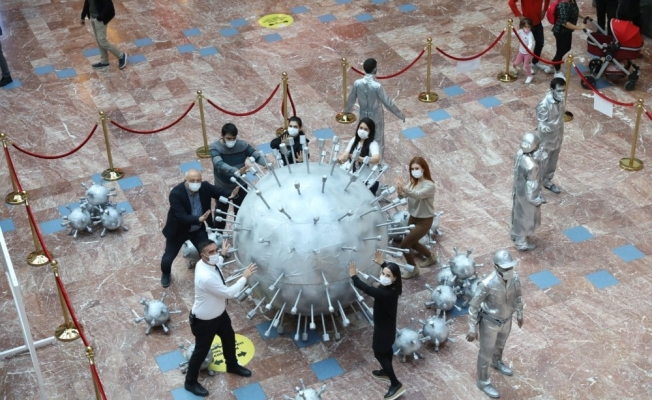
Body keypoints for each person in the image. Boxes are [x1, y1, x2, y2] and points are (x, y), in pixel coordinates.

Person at [184, 240, 258, 397]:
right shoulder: (205, 277)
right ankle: (190, 382)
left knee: (229, 338)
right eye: (211, 252)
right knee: (201, 351)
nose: (215, 254)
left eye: (215, 250)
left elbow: (217, 264)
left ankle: (232, 365)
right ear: (202, 256)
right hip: (204, 321)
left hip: (220, 315)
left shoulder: (207, 263)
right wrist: (244, 277)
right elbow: (229, 293)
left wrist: (223, 254)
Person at [160, 169, 238, 288]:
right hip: (179, 231)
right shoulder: (176, 193)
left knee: (208, 251)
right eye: (192, 180)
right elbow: (181, 216)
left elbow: (218, 192)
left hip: (197, 229)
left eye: (198, 180)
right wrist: (199, 219)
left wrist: (231, 194)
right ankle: (166, 273)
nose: (196, 183)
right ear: (185, 180)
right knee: (168, 257)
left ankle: (212, 272)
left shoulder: (204, 187)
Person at [466, 249, 523, 399]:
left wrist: (520, 313)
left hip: (507, 320)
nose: (508, 270)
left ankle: (496, 361)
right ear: (496, 267)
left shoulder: (515, 278)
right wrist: (472, 328)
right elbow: (473, 307)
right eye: (505, 268)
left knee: (500, 345)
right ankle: (483, 382)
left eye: (510, 267)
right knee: (485, 354)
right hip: (489, 323)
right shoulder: (486, 284)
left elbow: (518, 297)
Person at [349, 251, 405, 400]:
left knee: (379, 353)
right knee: (386, 350)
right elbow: (389, 275)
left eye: (388, 275)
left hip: (383, 330)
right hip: (388, 328)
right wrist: (383, 264)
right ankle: (386, 371)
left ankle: (395, 384)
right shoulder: (394, 289)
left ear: (394, 278)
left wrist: (354, 276)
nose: (384, 277)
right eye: (383, 273)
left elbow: (368, 289)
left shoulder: (384, 293)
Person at [209, 123, 267, 230]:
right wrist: (236, 171)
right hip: (222, 188)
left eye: (234, 138)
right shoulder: (215, 148)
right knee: (220, 214)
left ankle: (240, 233)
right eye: (228, 138)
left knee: (241, 213)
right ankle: (218, 234)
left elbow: (255, 155)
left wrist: (266, 164)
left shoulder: (242, 145)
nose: (231, 141)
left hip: (240, 186)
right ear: (222, 135)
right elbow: (219, 164)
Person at [343, 58, 405, 157]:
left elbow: (351, 100)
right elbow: (388, 102)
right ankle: (377, 161)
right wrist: (400, 115)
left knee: (363, 136)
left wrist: (345, 112)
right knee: (378, 139)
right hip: (376, 116)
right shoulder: (377, 86)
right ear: (375, 69)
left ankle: (363, 157)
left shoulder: (357, 83)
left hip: (363, 115)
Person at [396, 157, 437, 279]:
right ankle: (430, 257)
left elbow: (418, 195)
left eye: (416, 168)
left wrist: (405, 189)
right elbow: (403, 196)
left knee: (404, 244)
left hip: (424, 220)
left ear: (423, 168)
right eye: (412, 169)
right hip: (413, 217)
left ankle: (413, 269)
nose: (414, 171)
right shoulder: (412, 182)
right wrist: (400, 191)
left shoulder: (430, 185)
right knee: (412, 243)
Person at [511, 133, 546, 251]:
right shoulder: (532, 166)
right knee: (525, 218)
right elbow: (531, 185)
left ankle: (515, 233)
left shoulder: (519, 154)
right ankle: (521, 243)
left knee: (517, 213)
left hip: (518, 190)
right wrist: (535, 199)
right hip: (527, 196)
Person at [536, 77, 566, 194]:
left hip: (557, 136)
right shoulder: (544, 104)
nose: (561, 93)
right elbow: (541, 121)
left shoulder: (561, 100)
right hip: (546, 139)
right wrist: (544, 127)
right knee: (542, 162)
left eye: (563, 90)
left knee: (553, 161)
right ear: (552, 90)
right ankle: (535, 187)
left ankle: (547, 181)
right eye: (559, 91)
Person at [337, 117, 381, 195]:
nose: (362, 131)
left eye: (366, 129)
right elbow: (346, 154)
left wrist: (362, 159)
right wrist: (339, 160)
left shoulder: (373, 144)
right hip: (352, 174)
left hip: (366, 179)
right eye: (361, 128)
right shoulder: (354, 140)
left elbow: (376, 158)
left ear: (370, 131)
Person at [508, 0, 554, 74]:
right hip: (526, 24)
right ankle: (526, 65)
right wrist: (519, 15)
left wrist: (544, 10)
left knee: (540, 43)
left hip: (537, 22)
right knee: (525, 46)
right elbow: (511, 2)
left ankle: (535, 62)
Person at [80, 0, 128, 70]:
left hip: (100, 20)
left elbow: (108, 6)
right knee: (99, 40)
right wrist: (83, 16)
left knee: (102, 41)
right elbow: (87, 3)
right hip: (93, 18)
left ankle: (121, 55)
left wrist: (100, 17)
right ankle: (104, 61)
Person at [550, 0, 584, 78]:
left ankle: (554, 63)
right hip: (560, 32)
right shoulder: (562, 5)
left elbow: (574, 11)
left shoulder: (572, 1)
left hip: (567, 31)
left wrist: (584, 17)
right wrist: (578, 27)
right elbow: (564, 22)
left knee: (567, 48)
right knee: (560, 52)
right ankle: (557, 71)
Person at [511, 18, 536, 84]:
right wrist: (510, 34)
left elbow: (530, 42)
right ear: (522, 26)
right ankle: (515, 69)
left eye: (528, 27)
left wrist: (528, 48)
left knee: (526, 65)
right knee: (515, 63)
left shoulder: (530, 34)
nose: (527, 28)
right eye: (525, 26)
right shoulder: (521, 31)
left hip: (528, 53)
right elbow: (515, 34)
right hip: (521, 51)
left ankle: (529, 76)